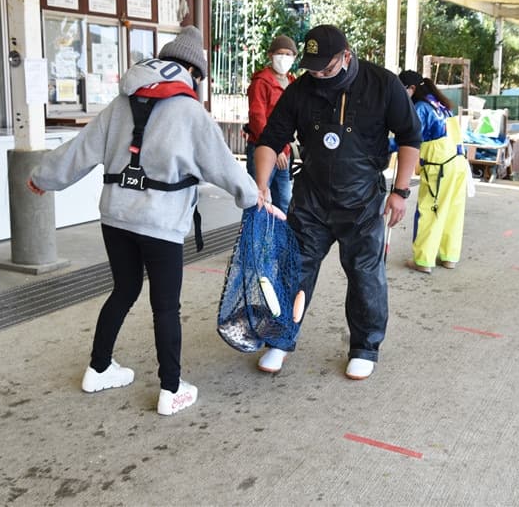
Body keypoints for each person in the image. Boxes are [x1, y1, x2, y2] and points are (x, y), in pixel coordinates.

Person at [27, 26, 281, 416]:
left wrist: (43, 178)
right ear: (193, 72)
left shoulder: (120, 103)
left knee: (124, 290)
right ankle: (171, 388)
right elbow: (223, 166)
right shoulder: (190, 112)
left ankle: (98, 368)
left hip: (115, 217)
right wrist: (254, 197)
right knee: (165, 307)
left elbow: (80, 149)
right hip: (160, 223)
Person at [253, 25, 421, 380]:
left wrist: (401, 191)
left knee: (364, 273)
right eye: (312, 68)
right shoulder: (300, 89)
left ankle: (365, 347)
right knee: (294, 267)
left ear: (346, 55)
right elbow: (270, 139)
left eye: (325, 68)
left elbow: (410, 136)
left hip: (362, 199)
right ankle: (280, 338)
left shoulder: (382, 84)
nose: (318, 75)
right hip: (311, 197)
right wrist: (261, 185)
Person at [398, 70, 469, 272]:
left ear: (412, 89)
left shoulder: (420, 108)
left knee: (429, 211)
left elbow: (411, 139)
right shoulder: (440, 105)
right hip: (458, 163)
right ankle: (449, 257)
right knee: (452, 212)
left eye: (402, 90)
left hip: (439, 167)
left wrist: (384, 146)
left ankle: (423, 260)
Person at [245, 35, 297, 213]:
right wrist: (274, 148)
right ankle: (252, 233)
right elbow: (257, 117)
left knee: (284, 202)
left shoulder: (293, 83)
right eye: (280, 53)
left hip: (284, 151)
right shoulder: (261, 82)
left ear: (295, 57)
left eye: (288, 54)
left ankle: (279, 233)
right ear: (270, 55)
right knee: (257, 201)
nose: (284, 58)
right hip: (263, 148)